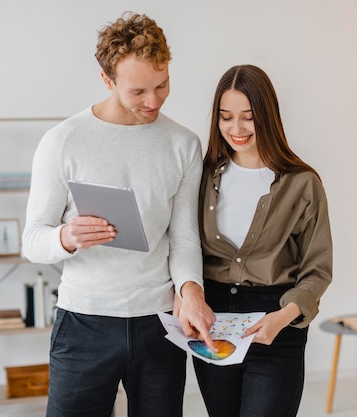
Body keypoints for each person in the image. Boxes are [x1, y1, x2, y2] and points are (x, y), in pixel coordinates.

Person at [22, 12, 216, 417]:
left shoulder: (183, 144)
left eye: (162, 85)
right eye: (138, 91)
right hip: (84, 322)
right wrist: (67, 237)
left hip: (159, 323)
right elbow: (33, 240)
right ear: (107, 81)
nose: (153, 101)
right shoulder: (63, 142)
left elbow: (183, 239)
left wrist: (191, 291)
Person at [193, 64, 333, 417]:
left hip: (276, 321)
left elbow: (317, 270)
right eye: (226, 117)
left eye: (248, 117)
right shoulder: (202, 175)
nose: (235, 129)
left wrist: (283, 316)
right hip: (215, 321)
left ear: (267, 117)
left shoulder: (302, 183)